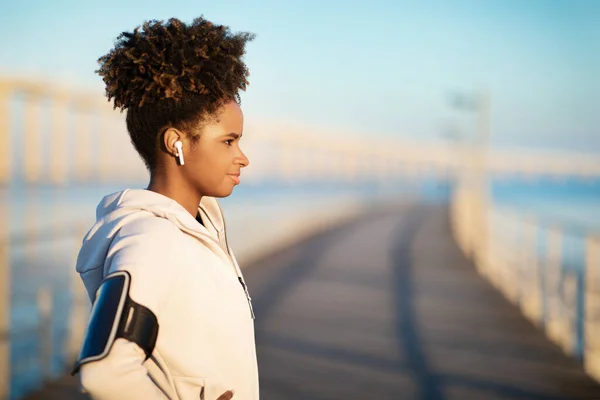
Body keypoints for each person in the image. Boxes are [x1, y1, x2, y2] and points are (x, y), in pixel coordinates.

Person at [71, 16, 258, 400]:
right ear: (177, 143)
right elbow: (103, 371)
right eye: (228, 142)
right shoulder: (151, 237)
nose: (243, 157)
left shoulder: (199, 227)